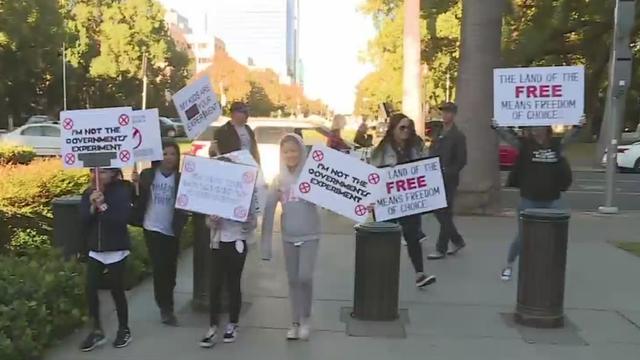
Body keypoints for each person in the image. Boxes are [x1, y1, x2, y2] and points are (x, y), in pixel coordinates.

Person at [494, 121, 581, 281]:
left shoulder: (556, 145)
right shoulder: (525, 145)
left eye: (538, 126)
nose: (535, 130)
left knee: (556, 235)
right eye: (533, 127)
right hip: (529, 199)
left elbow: (570, 139)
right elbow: (509, 137)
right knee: (523, 236)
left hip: (553, 198)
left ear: (546, 128)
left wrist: (578, 126)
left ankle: (553, 268)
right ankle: (509, 265)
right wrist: (497, 126)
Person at [261, 134, 320, 341]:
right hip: (288, 237)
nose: (290, 155)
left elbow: (338, 197)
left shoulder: (312, 177)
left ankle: (306, 317)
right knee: (293, 280)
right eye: (286, 151)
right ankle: (295, 321)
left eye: (294, 150)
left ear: (301, 152)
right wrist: (265, 246)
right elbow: (268, 212)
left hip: (310, 235)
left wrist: (361, 206)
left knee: (305, 277)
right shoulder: (278, 180)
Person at [370, 113, 437, 288]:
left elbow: (426, 168)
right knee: (386, 238)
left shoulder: (416, 147)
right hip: (387, 202)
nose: (406, 132)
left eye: (409, 128)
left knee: (413, 236)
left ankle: (420, 274)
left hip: (409, 201)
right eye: (402, 128)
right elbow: (372, 175)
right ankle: (382, 275)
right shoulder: (381, 150)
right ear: (393, 129)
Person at [199, 159, 258, 348]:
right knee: (214, 285)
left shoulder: (244, 191)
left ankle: (233, 323)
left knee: (233, 284)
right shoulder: (214, 191)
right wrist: (213, 221)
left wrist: (247, 219)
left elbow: (253, 221)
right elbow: (208, 221)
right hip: (218, 244)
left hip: (237, 243)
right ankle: (213, 326)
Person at [131, 140, 188, 326]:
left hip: (171, 229)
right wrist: (135, 185)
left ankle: (167, 296)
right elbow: (137, 199)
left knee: (170, 271)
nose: (169, 158)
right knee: (160, 267)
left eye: (173, 154)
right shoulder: (147, 175)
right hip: (152, 227)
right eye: (165, 153)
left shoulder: (181, 178)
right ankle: (166, 308)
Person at [79, 168, 133, 352]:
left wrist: (103, 205)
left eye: (102, 172)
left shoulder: (121, 191)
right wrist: (92, 207)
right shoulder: (88, 192)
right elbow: (83, 220)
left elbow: (121, 219)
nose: (97, 176)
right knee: (90, 288)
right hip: (96, 250)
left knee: (116, 290)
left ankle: (124, 329)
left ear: (112, 174)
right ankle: (96, 330)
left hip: (116, 249)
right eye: (95, 172)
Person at [427, 102, 467, 260]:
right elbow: (432, 150)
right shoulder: (438, 131)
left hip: (449, 179)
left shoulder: (458, 135)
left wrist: (449, 171)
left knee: (445, 212)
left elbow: (462, 160)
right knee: (440, 212)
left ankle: (441, 248)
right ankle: (457, 240)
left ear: (454, 114)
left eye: (448, 112)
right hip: (434, 177)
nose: (445, 115)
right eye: (443, 112)